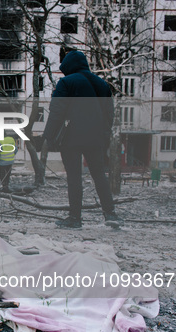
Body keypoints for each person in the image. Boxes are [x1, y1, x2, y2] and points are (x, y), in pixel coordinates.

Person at [43, 50, 123, 229]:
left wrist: (48, 136)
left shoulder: (66, 83)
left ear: (69, 67)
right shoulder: (102, 84)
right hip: (96, 139)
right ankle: (110, 214)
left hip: (72, 137)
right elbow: (110, 114)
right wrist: (104, 136)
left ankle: (75, 218)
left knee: (74, 177)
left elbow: (57, 112)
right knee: (99, 175)